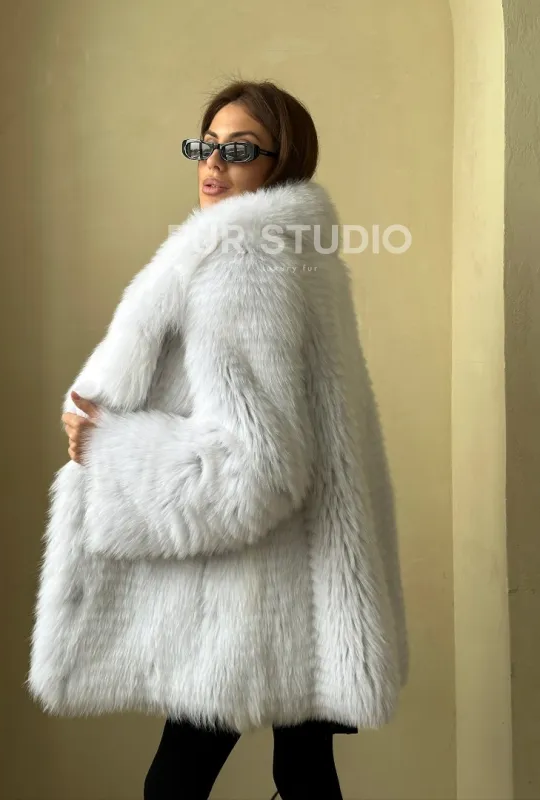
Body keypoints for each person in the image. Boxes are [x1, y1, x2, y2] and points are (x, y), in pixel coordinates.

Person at [28, 80, 409, 800]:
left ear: (280, 162)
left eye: (239, 150)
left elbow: (256, 466)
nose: (212, 164)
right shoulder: (303, 255)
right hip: (313, 577)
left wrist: (109, 448)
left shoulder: (242, 262)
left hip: (249, 592)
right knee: (304, 774)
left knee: (175, 785)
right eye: (205, 146)